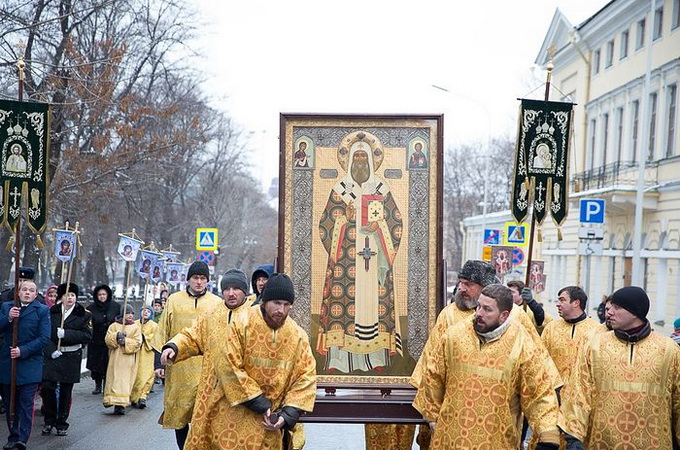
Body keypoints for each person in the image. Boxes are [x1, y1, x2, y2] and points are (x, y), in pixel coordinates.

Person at [160, 273, 316, 450]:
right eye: (227, 289)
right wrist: (175, 346)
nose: (231, 293)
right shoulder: (222, 317)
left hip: (269, 418)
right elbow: (194, 337)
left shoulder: (297, 335)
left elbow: (306, 376)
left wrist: (289, 413)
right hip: (225, 402)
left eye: (286, 304)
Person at [413, 284, 561, 449]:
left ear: (504, 315)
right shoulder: (454, 335)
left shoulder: (522, 344)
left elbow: (539, 392)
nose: (479, 314)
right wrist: (432, 417)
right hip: (450, 437)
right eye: (478, 307)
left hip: (496, 439)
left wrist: (548, 435)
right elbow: (433, 374)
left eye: (487, 309)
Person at [317, 142, 403, 373]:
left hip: (375, 262)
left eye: (365, 159)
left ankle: (376, 358)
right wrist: (344, 219)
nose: (361, 163)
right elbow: (325, 225)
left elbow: (396, 224)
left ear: (372, 162)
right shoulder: (340, 190)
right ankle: (338, 360)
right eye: (357, 159)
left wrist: (379, 225)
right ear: (350, 161)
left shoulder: (382, 190)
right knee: (343, 307)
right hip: (346, 263)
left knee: (375, 307)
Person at [560, 286, 680, 448]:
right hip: (601, 441)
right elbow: (579, 392)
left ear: (635, 312)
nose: (609, 312)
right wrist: (573, 437)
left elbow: (678, 399)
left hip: (652, 442)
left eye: (617, 308)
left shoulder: (668, 349)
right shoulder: (596, 345)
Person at [150, 260, 222, 449]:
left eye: (203, 278)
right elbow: (162, 331)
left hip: (205, 368)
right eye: (195, 278)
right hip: (178, 366)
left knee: (205, 414)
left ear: (207, 281)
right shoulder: (174, 300)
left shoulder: (216, 303)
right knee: (180, 415)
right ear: (188, 279)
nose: (199, 282)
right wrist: (159, 364)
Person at [0, 280, 50, 450]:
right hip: (8, 363)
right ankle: (12, 436)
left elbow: (44, 338)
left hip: (29, 363)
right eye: (24, 290)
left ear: (36, 294)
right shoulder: (7, 307)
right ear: (18, 292)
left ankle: (22, 438)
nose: (27, 293)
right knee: (10, 403)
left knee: (26, 403)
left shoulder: (42, 310)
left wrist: (23, 350)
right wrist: (8, 318)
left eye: (31, 290)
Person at [41, 283, 92, 436]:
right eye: (66, 295)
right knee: (48, 387)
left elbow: (87, 336)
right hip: (53, 355)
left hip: (71, 356)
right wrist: (51, 351)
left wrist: (67, 334)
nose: (70, 298)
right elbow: (45, 333)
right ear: (61, 297)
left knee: (65, 390)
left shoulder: (83, 314)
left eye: (72, 295)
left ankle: (61, 422)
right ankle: (49, 420)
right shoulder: (52, 312)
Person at [103, 306, 142, 415]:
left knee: (124, 381)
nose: (130, 315)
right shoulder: (114, 326)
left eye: (132, 313)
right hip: (115, 359)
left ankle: (121, 404)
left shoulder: (136, 327)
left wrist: (125, 341)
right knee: (114, 380)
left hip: (127, 360)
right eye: (127, 313)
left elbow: (138, 342)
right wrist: (116, 336)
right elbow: (107, 339)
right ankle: (113, 401)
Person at [86, 284, 121, 395]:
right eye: (99, 294)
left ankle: (107, 384)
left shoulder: (115, 306)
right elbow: (88, 323)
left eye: (104, 294)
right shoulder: (91, 308)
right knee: (96, 364)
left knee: (109, 362)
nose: (102, 296)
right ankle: (97, 384)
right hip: (96, 340)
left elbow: (119, 321)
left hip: (110, 340)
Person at [130, 306, 158, 409]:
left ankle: (143, 396)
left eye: (148, 311)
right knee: (134, 375)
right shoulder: (134, 324)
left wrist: (145, 338)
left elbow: (155, 338)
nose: (145, 313)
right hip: (135, 352)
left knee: (146, 375)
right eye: (144, 311)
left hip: (147, 353)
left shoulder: (154, 326)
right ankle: (133, 397)